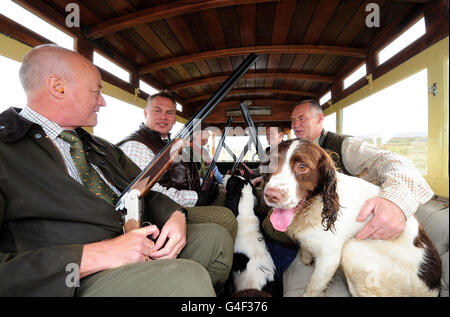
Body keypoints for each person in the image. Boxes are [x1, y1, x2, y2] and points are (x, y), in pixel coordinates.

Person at [0, 44, 233, 296]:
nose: (103, 101)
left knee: (215, 240)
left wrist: (175, 215)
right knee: (187, 279)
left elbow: (144, 189)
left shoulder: (101, 147)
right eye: (96, 91)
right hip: (71, 277)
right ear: (58, 87)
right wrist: (91, 257)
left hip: (136, 240)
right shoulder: (7, 150)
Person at [268, 99, 434, 240]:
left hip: (343, 228)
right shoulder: (293, 150)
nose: (295, 124)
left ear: (320, 119)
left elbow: (395, 162)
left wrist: (396, 202)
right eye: (293, 120)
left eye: (301, 118)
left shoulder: (346, 146)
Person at [118, 91, 237, 239]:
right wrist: (196, 197)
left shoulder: (170, 144)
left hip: (181, 202)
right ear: (145, 113)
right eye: (157, 111)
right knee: (226, 218)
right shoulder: (136, 146)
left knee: (228, 197)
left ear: (174, 118)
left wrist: (204, 184)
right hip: (161, 213)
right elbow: (152, 194)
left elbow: (182, 176)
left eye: (169, 113)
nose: (163, 117)